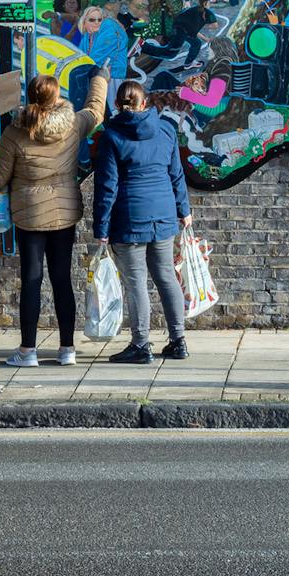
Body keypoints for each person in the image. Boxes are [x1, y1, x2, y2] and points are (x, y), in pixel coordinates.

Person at [0, 64, 110, 367]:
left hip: (30, 215)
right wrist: (100, 78)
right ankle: (67, 350)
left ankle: (28, 351)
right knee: (62, 279)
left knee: (32, 280)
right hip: (64, 213)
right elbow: (95, 111)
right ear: (56, 96)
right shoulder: (73, 124)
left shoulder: (15, 132)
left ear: (31, 97)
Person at [92, 81, 194, 364]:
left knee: (136, 283)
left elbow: (107, 187)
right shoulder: (166, 130)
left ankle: (140, 345)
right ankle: (178, 341)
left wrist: (101, 227)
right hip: (163, 214)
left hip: (129, 219)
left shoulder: (112, 136)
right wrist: (184, 210)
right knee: (166, 275)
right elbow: (176, 175)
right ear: (145, 103)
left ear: (117, 105)